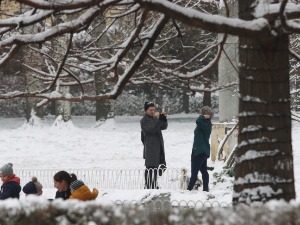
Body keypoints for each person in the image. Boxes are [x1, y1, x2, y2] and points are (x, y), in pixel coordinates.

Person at [140, 101, 168, 189]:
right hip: (150, 148)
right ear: (146, 110)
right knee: (150, 167)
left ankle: (154, 184)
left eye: (153, 110)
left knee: (157, 166)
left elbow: (163, 127)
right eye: (150, 110)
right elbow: (152, 130)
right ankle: (148, 185)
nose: (152, 111)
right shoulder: (143, 120)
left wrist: (163, 119)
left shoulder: (155, 118)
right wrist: (159, 120)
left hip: (158, 146)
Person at [187, 106, 214, 192]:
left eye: (201, 113)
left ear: (205, 115)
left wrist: (203, 116)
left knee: (194, 173)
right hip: (203, 151)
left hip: (199, 151)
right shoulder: (206, 124)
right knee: (204, 171)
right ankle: (205, 189)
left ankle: (188, 190)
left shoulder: (203, 123)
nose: (199, 115)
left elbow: (198, 120)